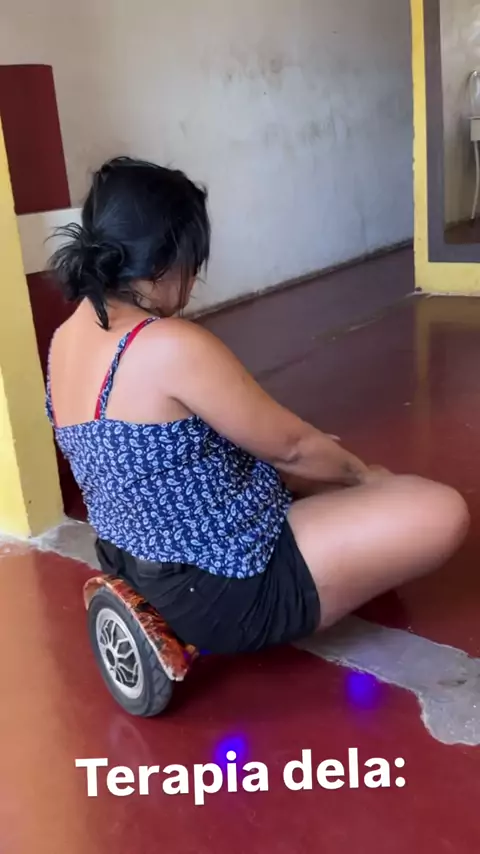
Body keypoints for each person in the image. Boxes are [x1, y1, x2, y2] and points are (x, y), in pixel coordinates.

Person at [46, 156, 470, 655]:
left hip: (130, 553)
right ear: (168, 258)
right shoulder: (165, 344)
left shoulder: (64, 338)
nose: (193, 281)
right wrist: (366, 477)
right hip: (221, 586)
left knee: (322, 460)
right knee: (439, 511)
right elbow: (291, 448)